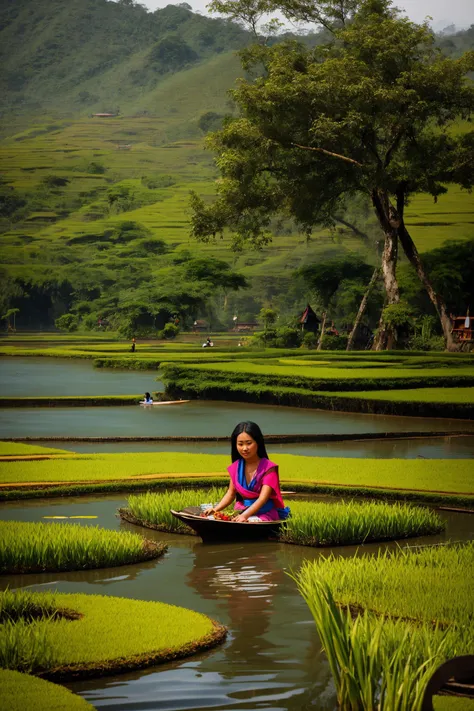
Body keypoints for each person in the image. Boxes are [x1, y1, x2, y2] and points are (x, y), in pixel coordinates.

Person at [204, 421, 290, 523]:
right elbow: (231, 493)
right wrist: (215, 509)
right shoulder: (236, 467)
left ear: (258, 442)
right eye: (240, 444)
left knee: (249, 521)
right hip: (243, 511)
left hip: (265, 514)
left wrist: (245, 516)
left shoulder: (269, 468)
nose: (245, 448)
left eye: (249, 443)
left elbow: (263, 499)